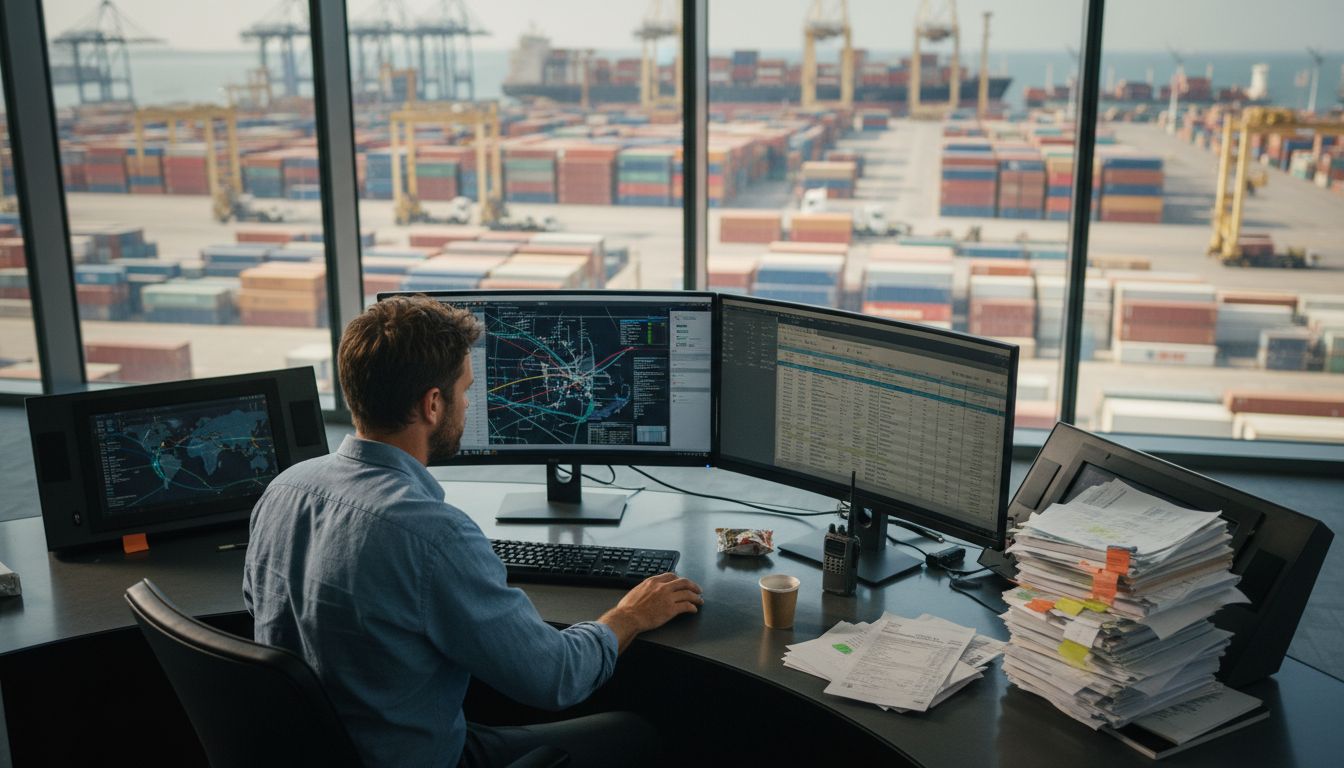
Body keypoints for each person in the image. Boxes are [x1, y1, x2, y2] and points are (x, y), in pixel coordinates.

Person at [243, 295, 704, 767]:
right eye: (465, 390)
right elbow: (556, 678)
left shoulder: (283, 490)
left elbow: (262, 616)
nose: (468, 403)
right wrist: (629, 615)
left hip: (321, 751)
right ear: (433, 405)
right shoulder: (432, 536)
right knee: (632, 734)